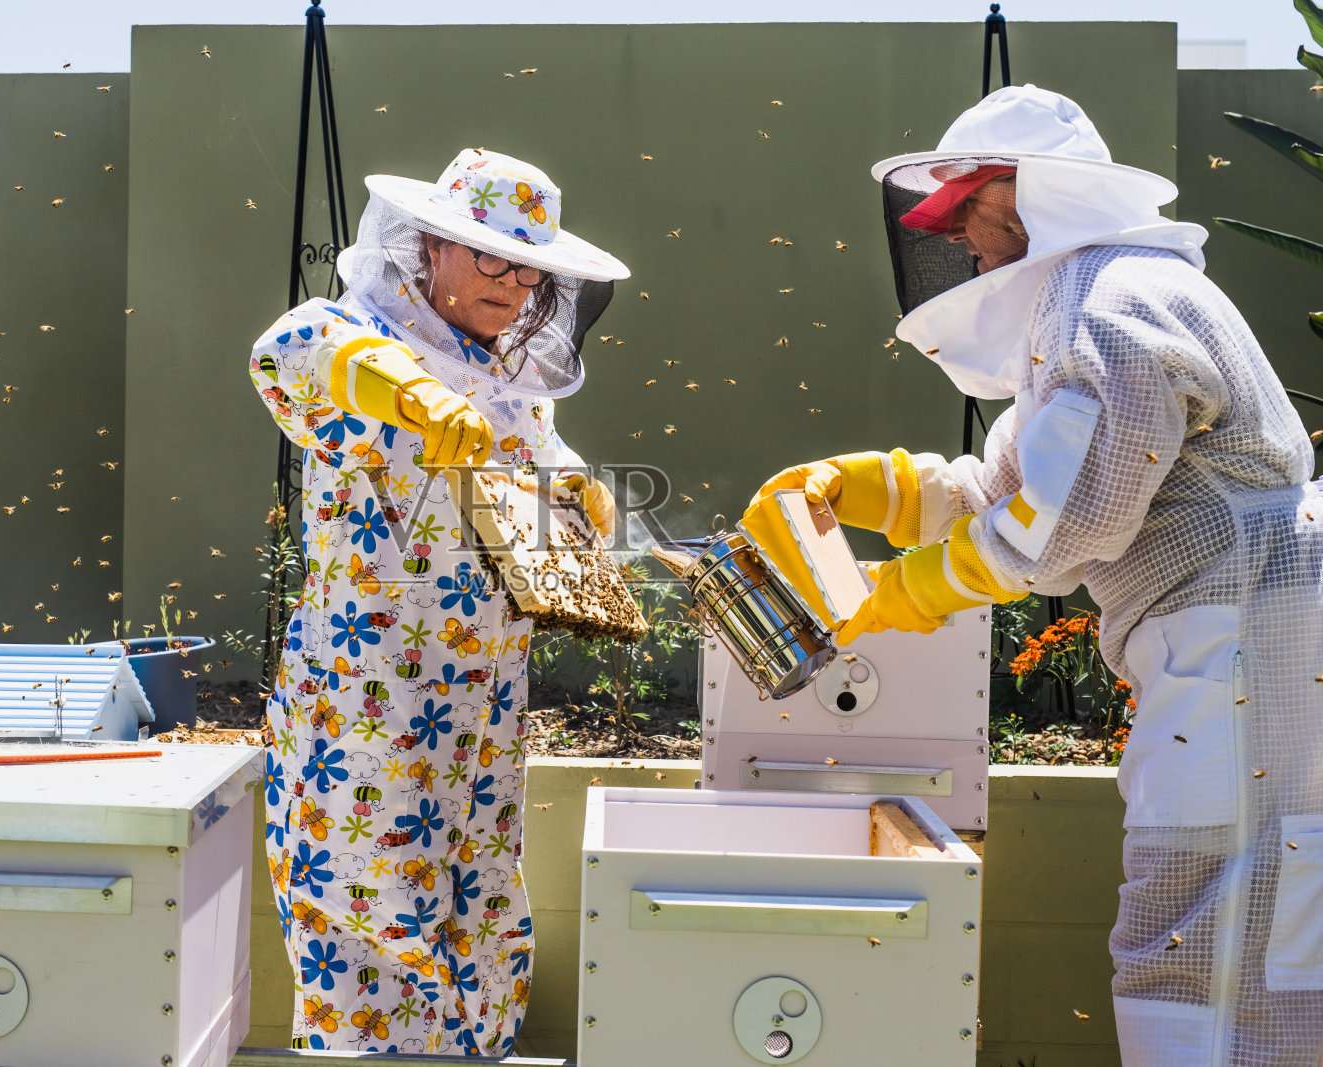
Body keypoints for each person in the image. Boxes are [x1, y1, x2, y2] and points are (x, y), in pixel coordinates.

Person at [747, 85, 1323, 1066]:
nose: (965, 252)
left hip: (1241, 652)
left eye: (966, 223)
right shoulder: (1096, 300)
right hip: (1237, 649)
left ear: (1019, 202)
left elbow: (1058, 526)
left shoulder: (1114, 309)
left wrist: (897, 593)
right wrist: (862, 487)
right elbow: (1003, 490)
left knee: (1200, 930)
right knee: (1245, 921)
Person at [249, 148, 625, 1056]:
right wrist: (408, 394)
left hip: (483, 700)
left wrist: (577, 495)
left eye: (531, 265)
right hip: (368, 695)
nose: (516, 281)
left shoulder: (506, 372)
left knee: (480, 901)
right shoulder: (353, 330)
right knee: (367, 895)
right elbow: (289, 351)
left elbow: (532, 468)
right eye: (491, 256)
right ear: (429, 248)